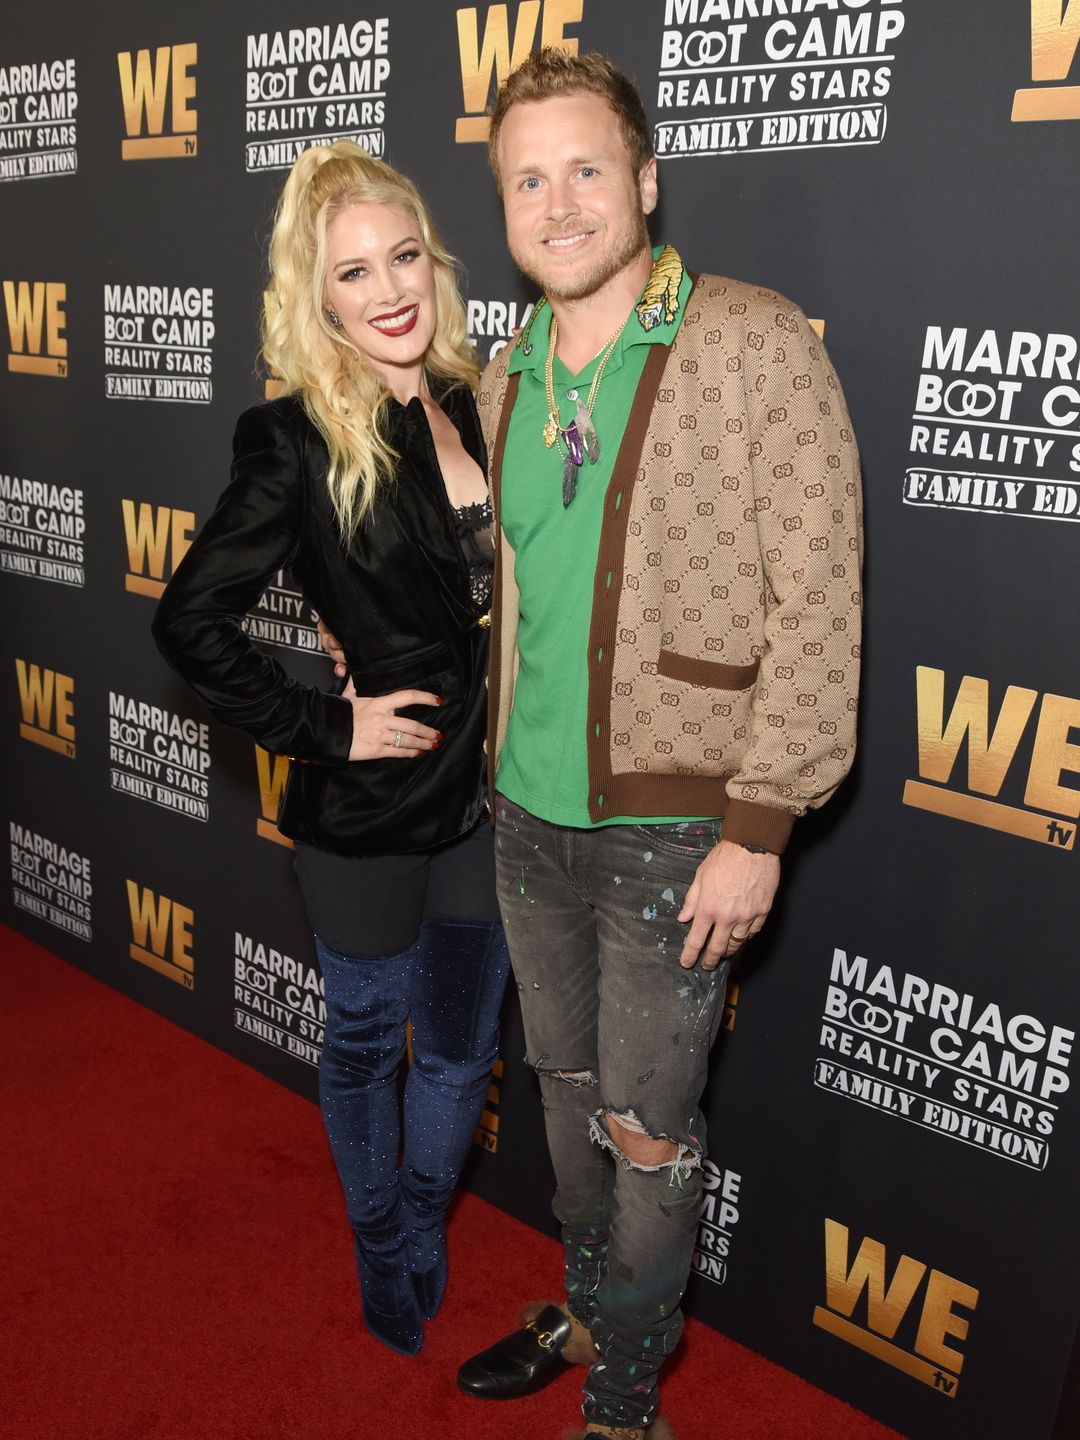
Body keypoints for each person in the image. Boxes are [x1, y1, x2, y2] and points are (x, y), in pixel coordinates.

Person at [453, 48, 863, 1440]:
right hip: (526, 818)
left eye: (583, 168)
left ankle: (628, 1402)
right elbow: (511, 589)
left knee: (646, 1131)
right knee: (566, 1112)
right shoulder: (502, 374)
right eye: (526, 178)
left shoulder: (754, 344)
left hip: (677, 834)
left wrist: (759, 829)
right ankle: (589, 1308)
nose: (556, 203)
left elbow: (818, 599)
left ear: (644, 179)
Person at [152, 140, 510, 1359]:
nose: (390, 290)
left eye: (404, 256)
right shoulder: (294, 437)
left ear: (434, 261)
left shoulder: (476, 396)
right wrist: (327, 723)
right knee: (366, 1042)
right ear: (317, 298)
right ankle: (376, 1233)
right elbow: (189, 620)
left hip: (493, 801)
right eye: (353, 273)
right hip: (367, 817)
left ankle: (422, 1213)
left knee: (460, 1051)